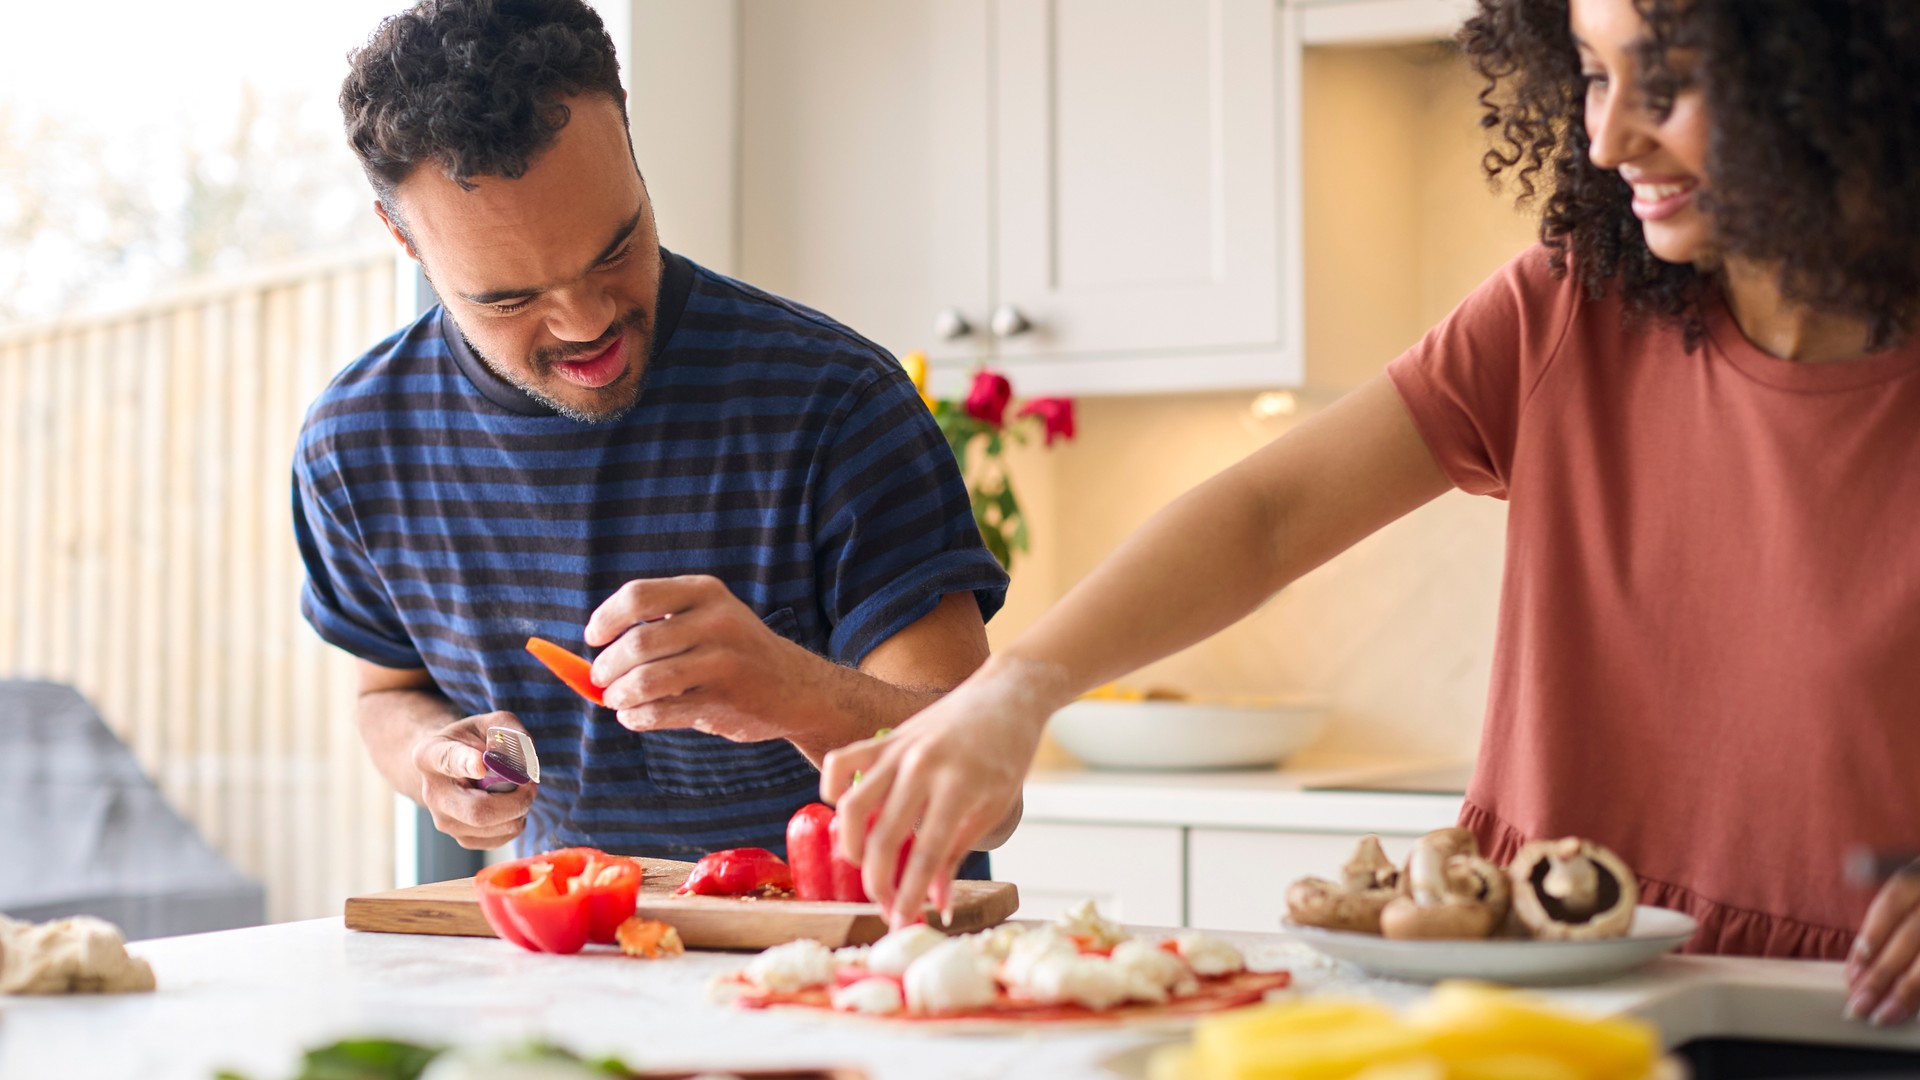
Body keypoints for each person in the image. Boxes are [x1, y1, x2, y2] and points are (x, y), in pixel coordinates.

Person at [826, 0, 1920, 1019]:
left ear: (1825, 71)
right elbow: (1270, 513)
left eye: (1668, 81)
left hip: (1843, 1012)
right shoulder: (1569, 305)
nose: (1608, 138)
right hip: (1523, 987)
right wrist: (1017, 691)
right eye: (1591, 76)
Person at [293, 0, 1017, 881]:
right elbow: (386, 692)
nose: (588, 322)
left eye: (616, 247)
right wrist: (431, 760)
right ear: (401, 239)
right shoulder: (359, 443)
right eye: (510, 298)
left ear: (631, 144)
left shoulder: (836, 405)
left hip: (859, 973)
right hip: (576, 963)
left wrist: (790, 690)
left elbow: (992, 794)